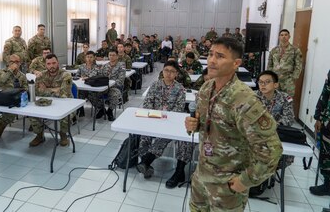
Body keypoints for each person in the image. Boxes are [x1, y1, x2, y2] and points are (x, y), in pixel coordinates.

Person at [185, 37, 282, 212]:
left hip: (227, 187)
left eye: (220, 56)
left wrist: (244, 182)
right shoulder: (206, 89)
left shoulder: (244, 99)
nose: (212, 61)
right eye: (211, 54)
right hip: (201, 178)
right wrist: (193, 125)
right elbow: (207, 126)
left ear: (236, 63)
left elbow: (271, 150)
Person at [138, 60, 194, 188]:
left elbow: (179, 109)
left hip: (171, 123)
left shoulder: (180, 88)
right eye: (166, 71)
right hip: (153, 120)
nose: (169, 74)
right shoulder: (155, 85)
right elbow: (147, 104)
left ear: (177, 74)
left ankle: (150, 163)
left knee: (169, 138)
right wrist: (154, 116)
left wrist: (165, 118)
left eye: (172, 72)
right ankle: (145, 164)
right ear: (162, 71)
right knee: (144, 136)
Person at [34, 54, 74, 146]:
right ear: (45, 65)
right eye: (48, 64)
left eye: (54, 63)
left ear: (58, 63)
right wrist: (55, 90)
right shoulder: (41, 76)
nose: (51, 66)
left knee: (66, 116)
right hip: (47, 102)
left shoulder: (66, 75)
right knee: (33, 115)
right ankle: (39, 135)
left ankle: (63, 135)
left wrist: (46, 89)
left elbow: (63, 94)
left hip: (66, 103)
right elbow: (37, 92)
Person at [0, 54, 28, 138]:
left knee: (12, 111)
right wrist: (10, 71)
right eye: (12, 62)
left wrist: (22, 91)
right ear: (8, 63)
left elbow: (26, 88)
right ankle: (1, 124)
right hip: (3, 97)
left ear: (20, 63)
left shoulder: (22, 76)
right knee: (8, 111)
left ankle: (2, 124)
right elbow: (0, 81)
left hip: (15, 98)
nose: (14, 64)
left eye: (17, 62)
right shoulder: (1, 72)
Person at [89, 49, 125, 121]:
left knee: (115, 94)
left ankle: (110, 111)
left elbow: (120, 80)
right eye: (110, 55)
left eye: (113, 55)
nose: (111, 57)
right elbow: (99, 75)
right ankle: (101, 109)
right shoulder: (105, 66)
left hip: (114, 87)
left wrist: (110, 84)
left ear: (117, 56)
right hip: (103, 87)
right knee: (90, 93)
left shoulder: (121, 66)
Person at [309, 69, 330, 196]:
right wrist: (318, 117)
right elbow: (325, 92)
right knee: (326, 152)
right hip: (328, 122)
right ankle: (328, 184)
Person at [267, 29, 302, 97]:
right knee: (274, 99)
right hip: (275, 80)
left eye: (286, 35)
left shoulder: (295, 50)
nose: (284, 36)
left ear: (289, 36)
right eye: (282, 35)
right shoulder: (274, 50)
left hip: (288, 81)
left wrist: (293, 78)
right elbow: (270, 65)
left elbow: (298, 66)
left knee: (288, 100)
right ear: (279, 37)